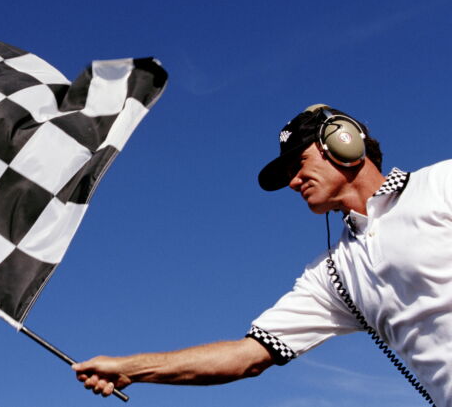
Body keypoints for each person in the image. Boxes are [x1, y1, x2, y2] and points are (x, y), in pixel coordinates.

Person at [72, 104, 452, 405]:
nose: (292, 182)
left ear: (343, 142)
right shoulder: (331, 273)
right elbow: (247, 356)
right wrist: (131, 368)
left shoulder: (440, 185)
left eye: (298, 164)